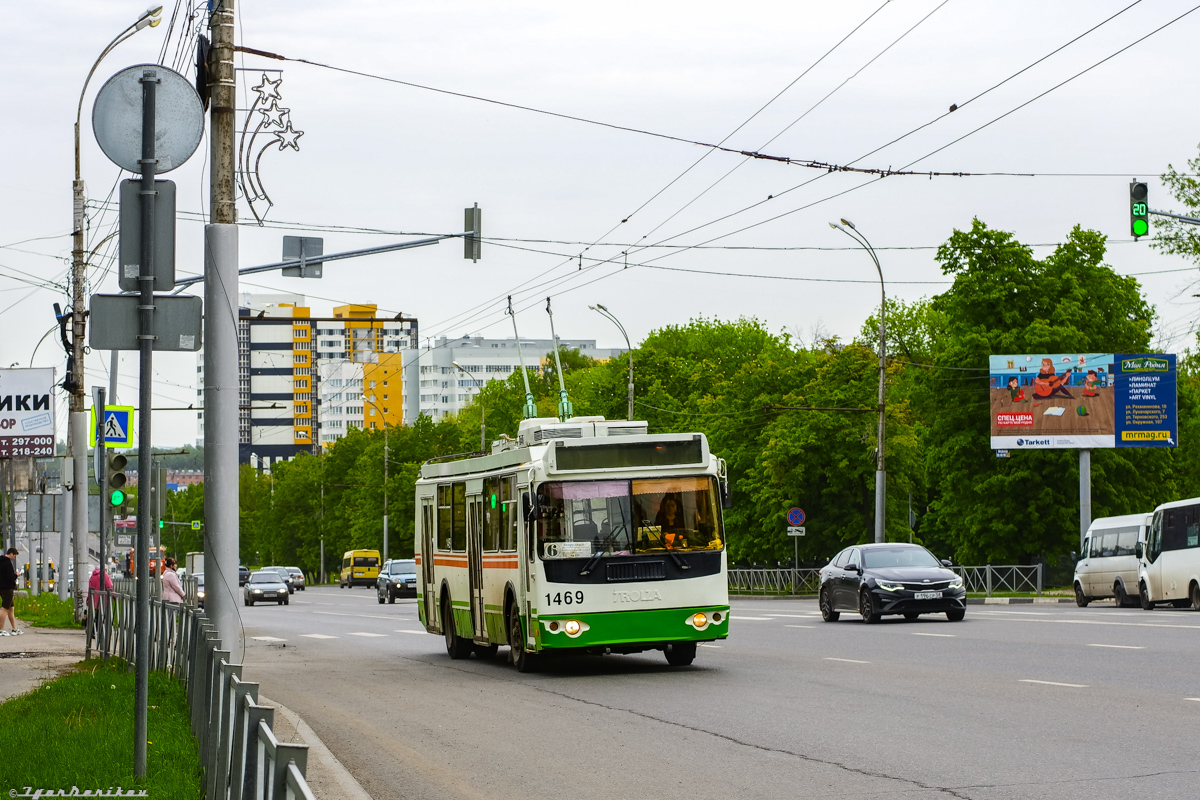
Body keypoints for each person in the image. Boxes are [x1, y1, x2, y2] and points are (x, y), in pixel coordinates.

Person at [0, 547, 19, 636]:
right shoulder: (7, 563)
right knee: (5, 608)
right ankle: (1, 629)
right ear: (11, 554)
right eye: (14, 556)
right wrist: (16, 575)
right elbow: (9, 578)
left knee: (11, 608)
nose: (14, 558)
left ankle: (14, 629)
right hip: (7, 588)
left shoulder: (1, 561)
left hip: (1, 587)